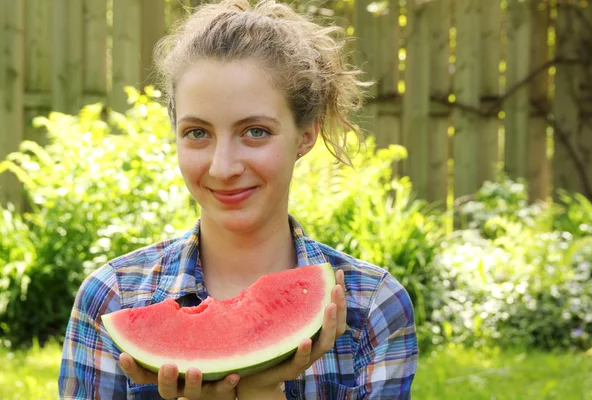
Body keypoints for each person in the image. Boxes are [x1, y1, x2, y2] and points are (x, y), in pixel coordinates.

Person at [58, 0, 418, 398]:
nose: (223, 167)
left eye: (255, 132)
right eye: (198, 133)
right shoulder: (111, 299)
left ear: (306, 135)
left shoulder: (372, 306)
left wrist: (261, 394)